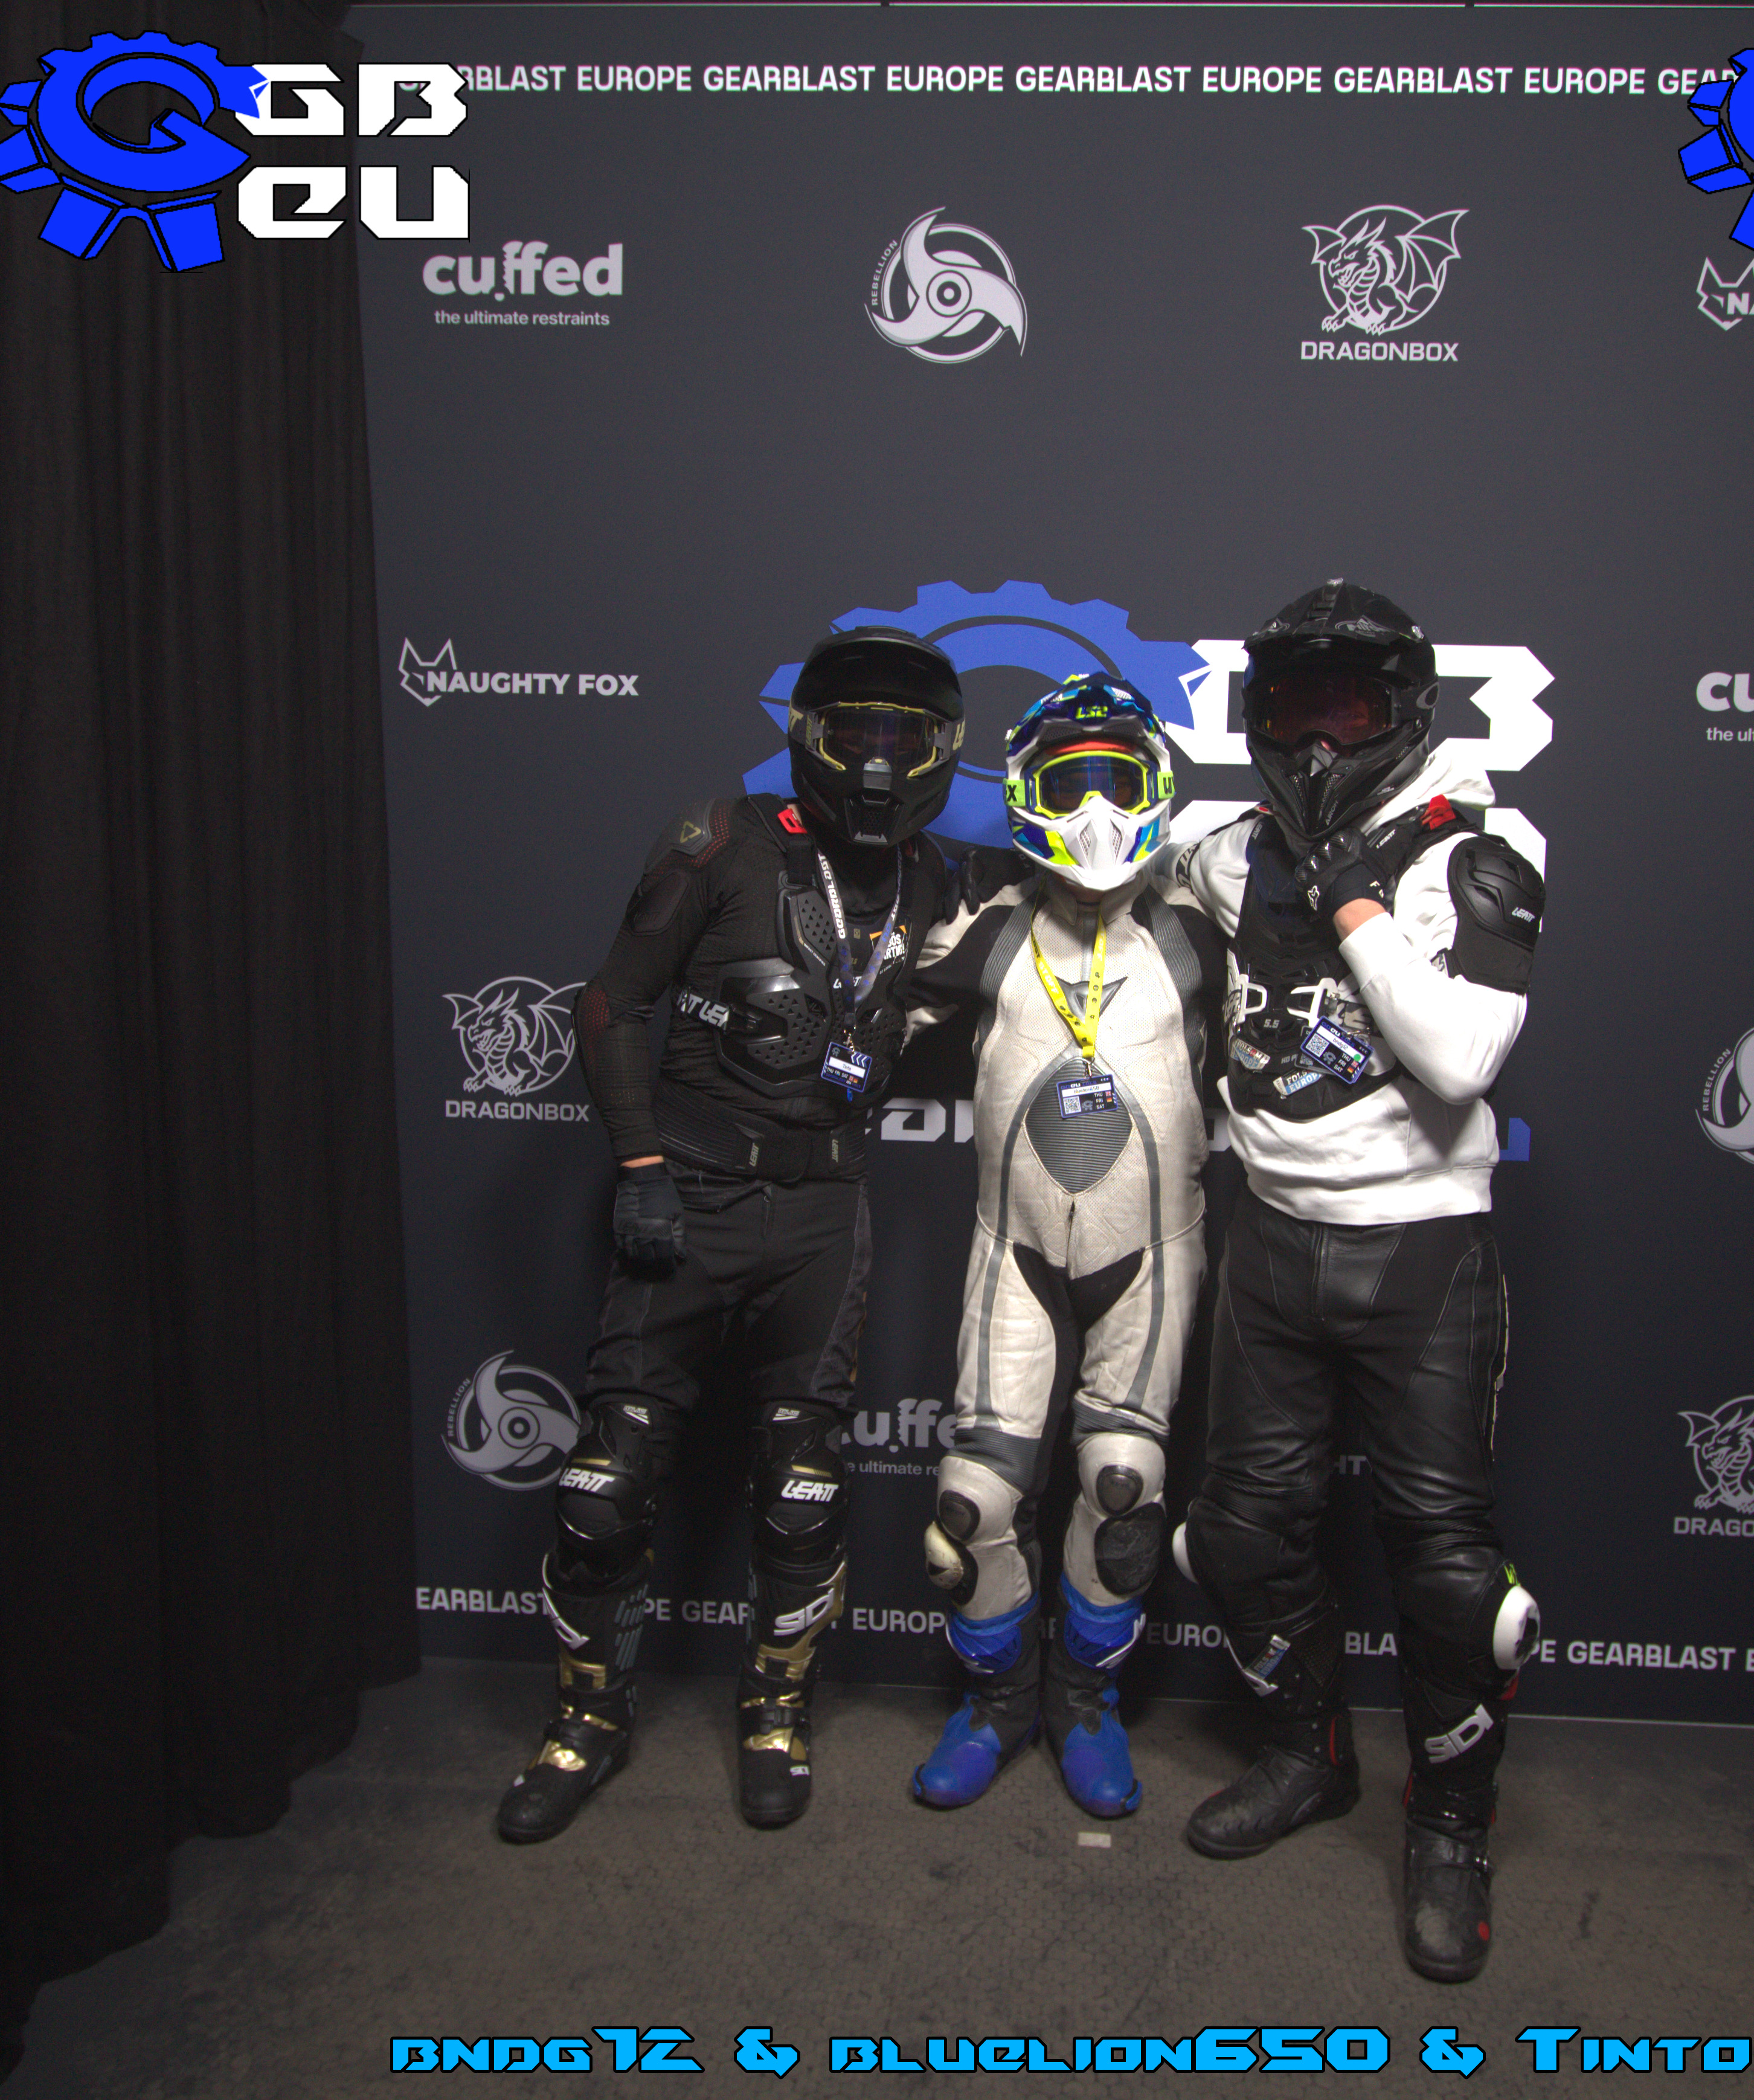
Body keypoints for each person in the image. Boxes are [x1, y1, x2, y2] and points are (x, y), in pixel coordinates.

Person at [495, 627, 961, 1841]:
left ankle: (774, 1715)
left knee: (803, 1488)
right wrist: (642, 1166)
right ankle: (584, 1722)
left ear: (940, 752)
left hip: (824, 1215)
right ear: (807, 738)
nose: (875, 763)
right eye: (853, 733)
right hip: (689, 1199)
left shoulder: (941, 882)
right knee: (605, 1485)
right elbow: (613, 1001)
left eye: (901, 737)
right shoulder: (721, 838)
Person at [1168, 580, 1545, 1981]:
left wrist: (1351, 901)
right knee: (1235, 1536)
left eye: (1349, 707)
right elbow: (1113, 865)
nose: (1318, 739)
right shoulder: (1228, 852)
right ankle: (1303, 1752)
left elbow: (1457, 1059)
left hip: (1420, 1249)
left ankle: (1447, 1823)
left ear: (1405, 713)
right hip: (1269, 1241)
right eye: (1290, 707)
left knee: (1450, 1579)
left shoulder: (1482, 846)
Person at [903, 675, 1226, 1818]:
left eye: (1118, 783)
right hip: (1015, 1251)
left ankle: (1085, 1700)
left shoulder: (1201, 934)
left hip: (1156, 1251)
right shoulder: (988, 930)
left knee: (1123, 1487)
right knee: (971, 1507)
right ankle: (999, 1703)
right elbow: (861, 1023)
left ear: (1158, 791)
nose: (1094, 811)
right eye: (1068, 784)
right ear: (1024, 795)